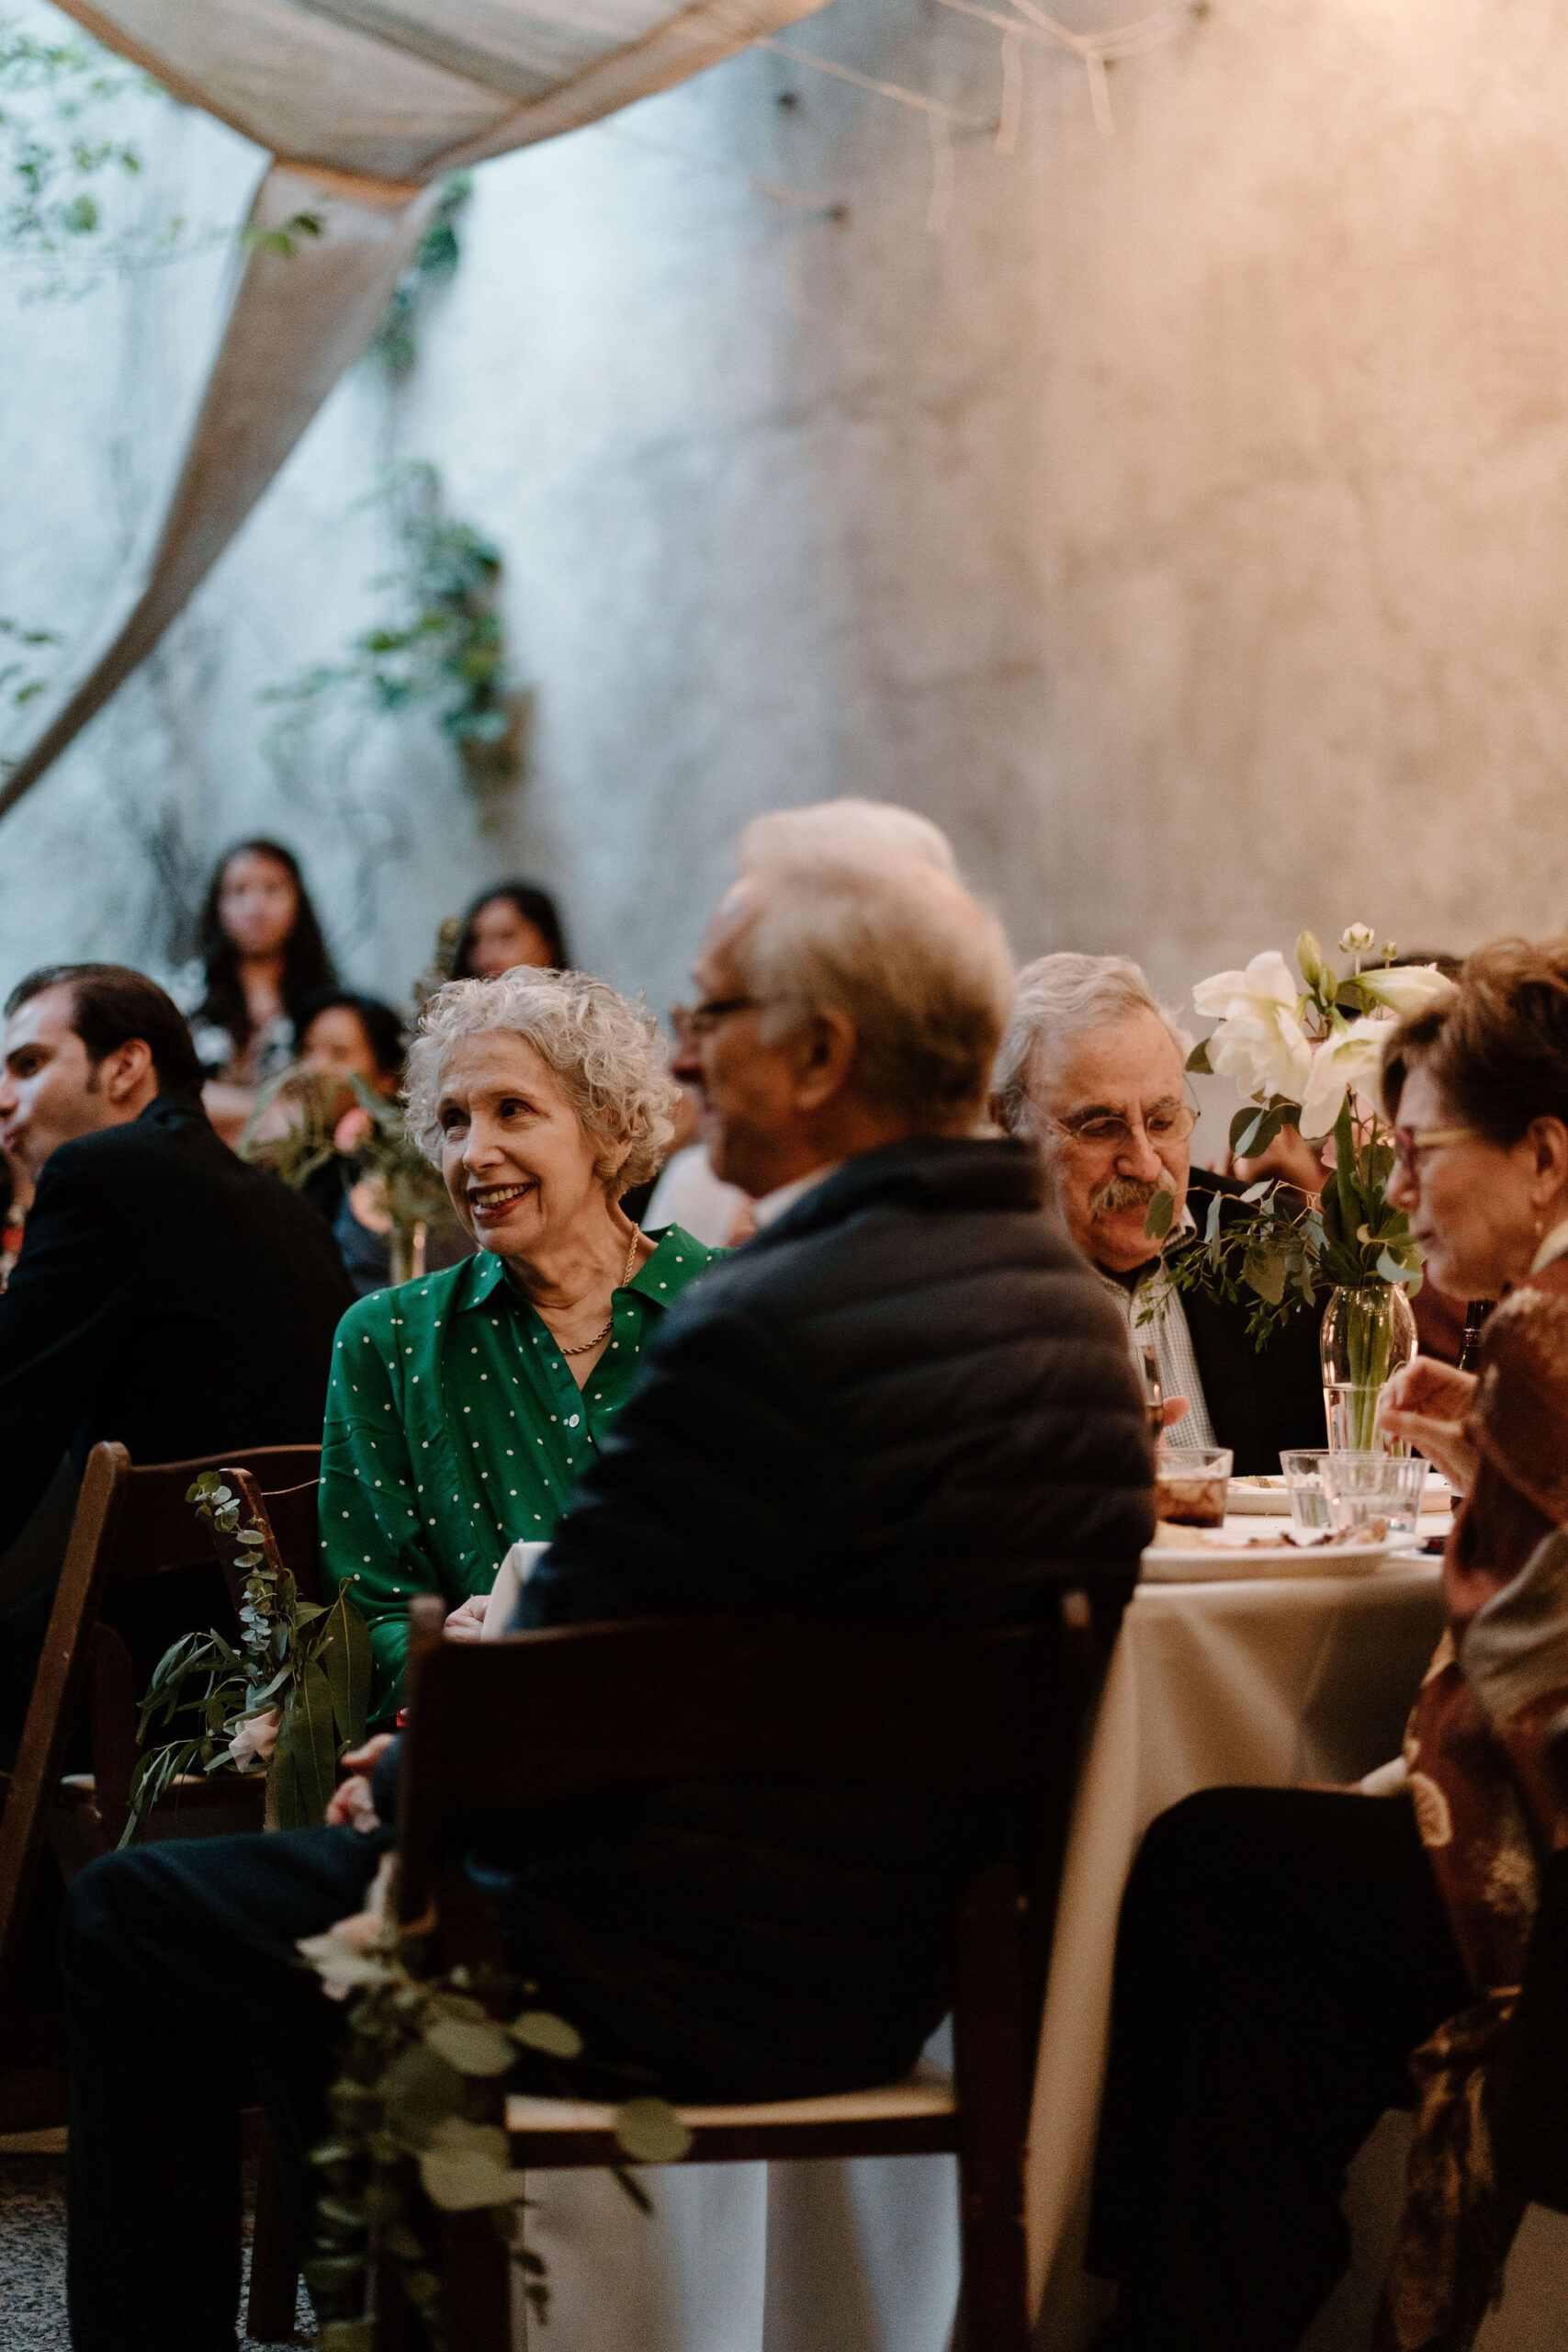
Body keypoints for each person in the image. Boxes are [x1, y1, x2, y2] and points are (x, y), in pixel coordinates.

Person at [60, 822, 1153, 2352]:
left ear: (825, 1050)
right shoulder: (1066, 1320)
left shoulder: (760, 1319)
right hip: (908, 1963)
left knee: (127, 1915)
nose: (688, 1060)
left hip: (657, 1966)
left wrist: (412, 1764)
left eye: (713, 1017)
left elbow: (556, 1702)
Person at [1087, 937, 1568, 2352]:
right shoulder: (1536, 1335)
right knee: (1266, 2011)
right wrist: (1479, 1438)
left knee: (1194, 1860)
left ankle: (1135, 2293)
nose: (1397, 1186)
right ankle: (1206, 2300)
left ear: (1541, 1156)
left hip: (1535, 1876)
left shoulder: (1543, 1325)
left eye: (1421, 1151)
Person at [320, 965, 722, 1720]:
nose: (473, 1153)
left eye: (513, 1110)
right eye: (452, 1122)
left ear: (612, 1125)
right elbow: (369, 1615)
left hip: (695, 1755)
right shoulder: (389, 1339)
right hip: (485, 1759)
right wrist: (443, 1657)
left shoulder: (732, 1309)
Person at [0, 965, 353, 1758]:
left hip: (153, 1666)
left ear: (126, 1066)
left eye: (28, 1064)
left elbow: (10, 1423)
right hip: (298, 1657)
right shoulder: (291, 1211)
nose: (2, 1099)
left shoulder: (99, 1176)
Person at [992, 953, 1325, 1472]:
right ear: (1006, 1123)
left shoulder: (1278, 1246)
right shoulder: (956, 1287)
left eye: (1163, 1121)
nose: (1145, 1165)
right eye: (1100, 1126)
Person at [172, 839, 337, 1145]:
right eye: (238, 892)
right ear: (217, 905)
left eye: (273, 890)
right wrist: (268, 1109)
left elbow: (324, 1105)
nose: (255, 908)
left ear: (298, 901)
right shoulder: (185, 994)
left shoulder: (328, 1004)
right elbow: (166, 1093)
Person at [450, 877, 570, 979]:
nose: (485, 958)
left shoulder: (581, 1004)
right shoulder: (449, 1004)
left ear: (547, 945)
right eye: (474, 941)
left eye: (506, 936)